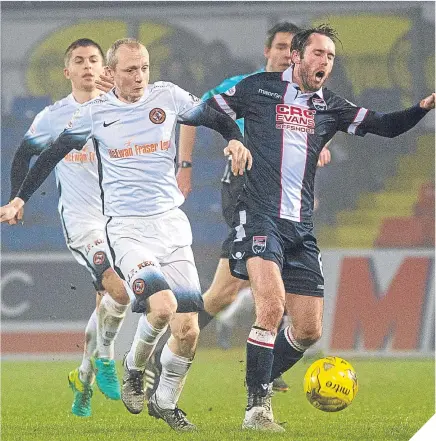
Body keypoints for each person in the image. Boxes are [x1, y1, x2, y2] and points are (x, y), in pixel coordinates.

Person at [1, 38, 252, 432]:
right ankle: (133, 366)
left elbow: (212, 114)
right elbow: (49, 155)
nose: (139, 77)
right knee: (163, 307)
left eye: (144, 68)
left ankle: (165, 402)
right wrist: (19, 198)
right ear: (112, 74)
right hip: (127, 229)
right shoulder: (94, 112)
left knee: (187, 330)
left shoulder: (167, 97)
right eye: (130, 70)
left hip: (171, 224)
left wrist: (234, 137)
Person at [204, 24, 435, 432]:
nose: (324, 62)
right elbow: (214, 108)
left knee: (308, 330)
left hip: (300, 228)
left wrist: (423, 107)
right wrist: (233, 138)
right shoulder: (260, 88)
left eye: (329, 57)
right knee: (271, 308)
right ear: (296, 56)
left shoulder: (330, 105)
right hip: (259, 216)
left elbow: (385, 125)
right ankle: (257, 410)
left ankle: (261, 374)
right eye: (317, 53)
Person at [147, 22, 331, 395]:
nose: (284, 54)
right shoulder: (248, 86)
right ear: (269, 52)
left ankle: (172, 348)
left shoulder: (306, 96)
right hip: (244, 189)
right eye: (279, 47)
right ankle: (265, 363)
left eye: (290, 48)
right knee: (257, 273)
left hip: (283, 199)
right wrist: (184, 166)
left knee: (223, 292)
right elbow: (195, 113)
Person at [6, 38, 132, 418]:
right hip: (81, 220)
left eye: (94, 59)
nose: (88, 66)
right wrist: (17, 199)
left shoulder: (119, 109)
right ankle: (109, 360)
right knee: (118, 290)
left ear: (104, 67)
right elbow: (23, 156)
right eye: (79, 60)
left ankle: (84, 380)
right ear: (68, 72)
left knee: (106, 308)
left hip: (122, 219)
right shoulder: (53, 116)